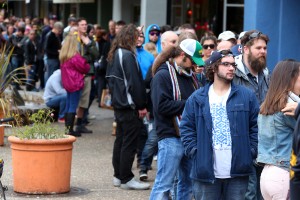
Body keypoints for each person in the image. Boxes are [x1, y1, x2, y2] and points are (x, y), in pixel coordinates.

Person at [180, 50, 259, 200]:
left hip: (238, 171)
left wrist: (251, 151)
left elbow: (256, 127)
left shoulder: (246, 96)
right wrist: (195, 152)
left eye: (233, 65)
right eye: (226, 64)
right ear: (214, 67)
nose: (231, 68)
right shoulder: (197, 98)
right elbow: (186, 128)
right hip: (205, 171)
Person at [150, 38, 204, 199]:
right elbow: (161, 107)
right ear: (182, 55)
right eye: (192, 61)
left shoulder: (190, 75)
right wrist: (191, 103)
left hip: (187, 137)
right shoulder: (163, 75)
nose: (194, 65)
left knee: (187, 184)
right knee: (163, 185)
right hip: (169, 137)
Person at [106, 24, 150, 190]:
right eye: (137, 35)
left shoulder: (115, 53)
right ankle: (126, 178)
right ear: (130, 37)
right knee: (129, 143)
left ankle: (118, 176)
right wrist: (141, 105)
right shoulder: (127, 56)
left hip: (119, 104)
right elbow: (135, 84)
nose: (139, 38)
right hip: (129, 105)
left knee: (121, 140)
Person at [233, 30, 270, 200]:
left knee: (262, 191)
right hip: (240, 142)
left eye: (265, 48)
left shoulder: (265, 73)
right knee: (247, 193)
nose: (263, 51)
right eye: (258, 48)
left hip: (263, 144)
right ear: (245, 49)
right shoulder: (231, 71)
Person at [257, 60, 300, 200]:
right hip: (284, 174)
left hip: (268, 175)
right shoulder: (290, 105)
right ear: (291, 78)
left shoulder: (268, 104)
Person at [59, 34, 90, 137]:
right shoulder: (75, 56)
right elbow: (85, 67)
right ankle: (70, 130)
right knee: (73, 106)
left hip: (67, 83)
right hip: (75, 83)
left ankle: (68, 129)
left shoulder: (63, 56)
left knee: (69, 105)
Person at [74, 17, 99, 134]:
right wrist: (86, 58)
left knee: (84, 101)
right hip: (75, 73)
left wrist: (88, 44)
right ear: (77, 26)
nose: (84, 26)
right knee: (74, 99)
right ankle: (70, 125)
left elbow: (95, 55)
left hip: (87, 73)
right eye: (82, 24)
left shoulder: (90, 40)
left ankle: (80, 124)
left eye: (85, 24)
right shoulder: (73, 39)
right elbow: (72, 56)